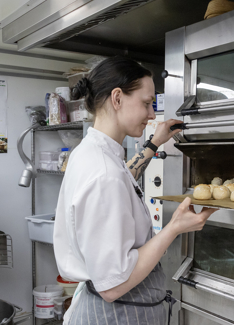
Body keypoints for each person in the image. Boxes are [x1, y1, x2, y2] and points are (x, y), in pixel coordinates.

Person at [53, 56, 217, 325]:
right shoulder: (103, 173)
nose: (152, 114)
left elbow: (122, 180)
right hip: (117, 314)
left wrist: (153, 144)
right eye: (146, 103)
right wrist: (173, 227)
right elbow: (112, 287)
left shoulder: (91, 153)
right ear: (117, 98)